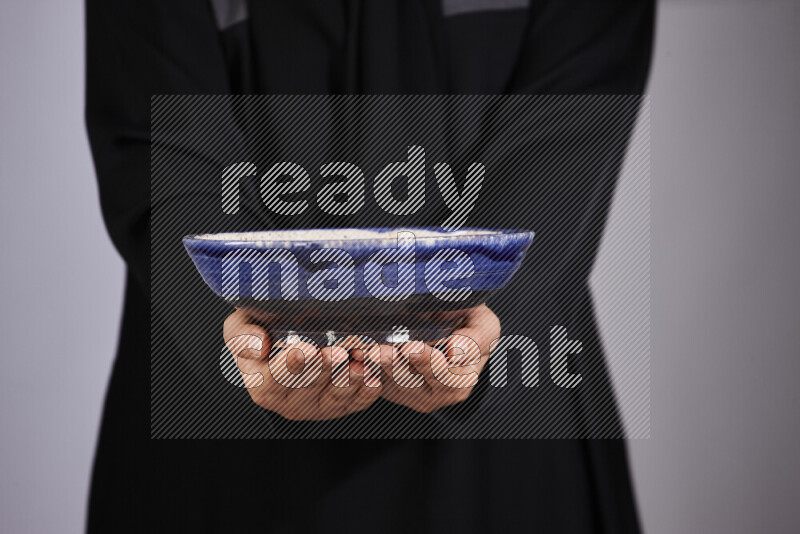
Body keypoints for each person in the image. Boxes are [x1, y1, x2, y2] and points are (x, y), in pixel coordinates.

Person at [86, 0, 654, 532]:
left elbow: (576, 106)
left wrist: (488, 318)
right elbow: (157, 127)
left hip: (504, 420)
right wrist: (237, 332)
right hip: (219, 420)